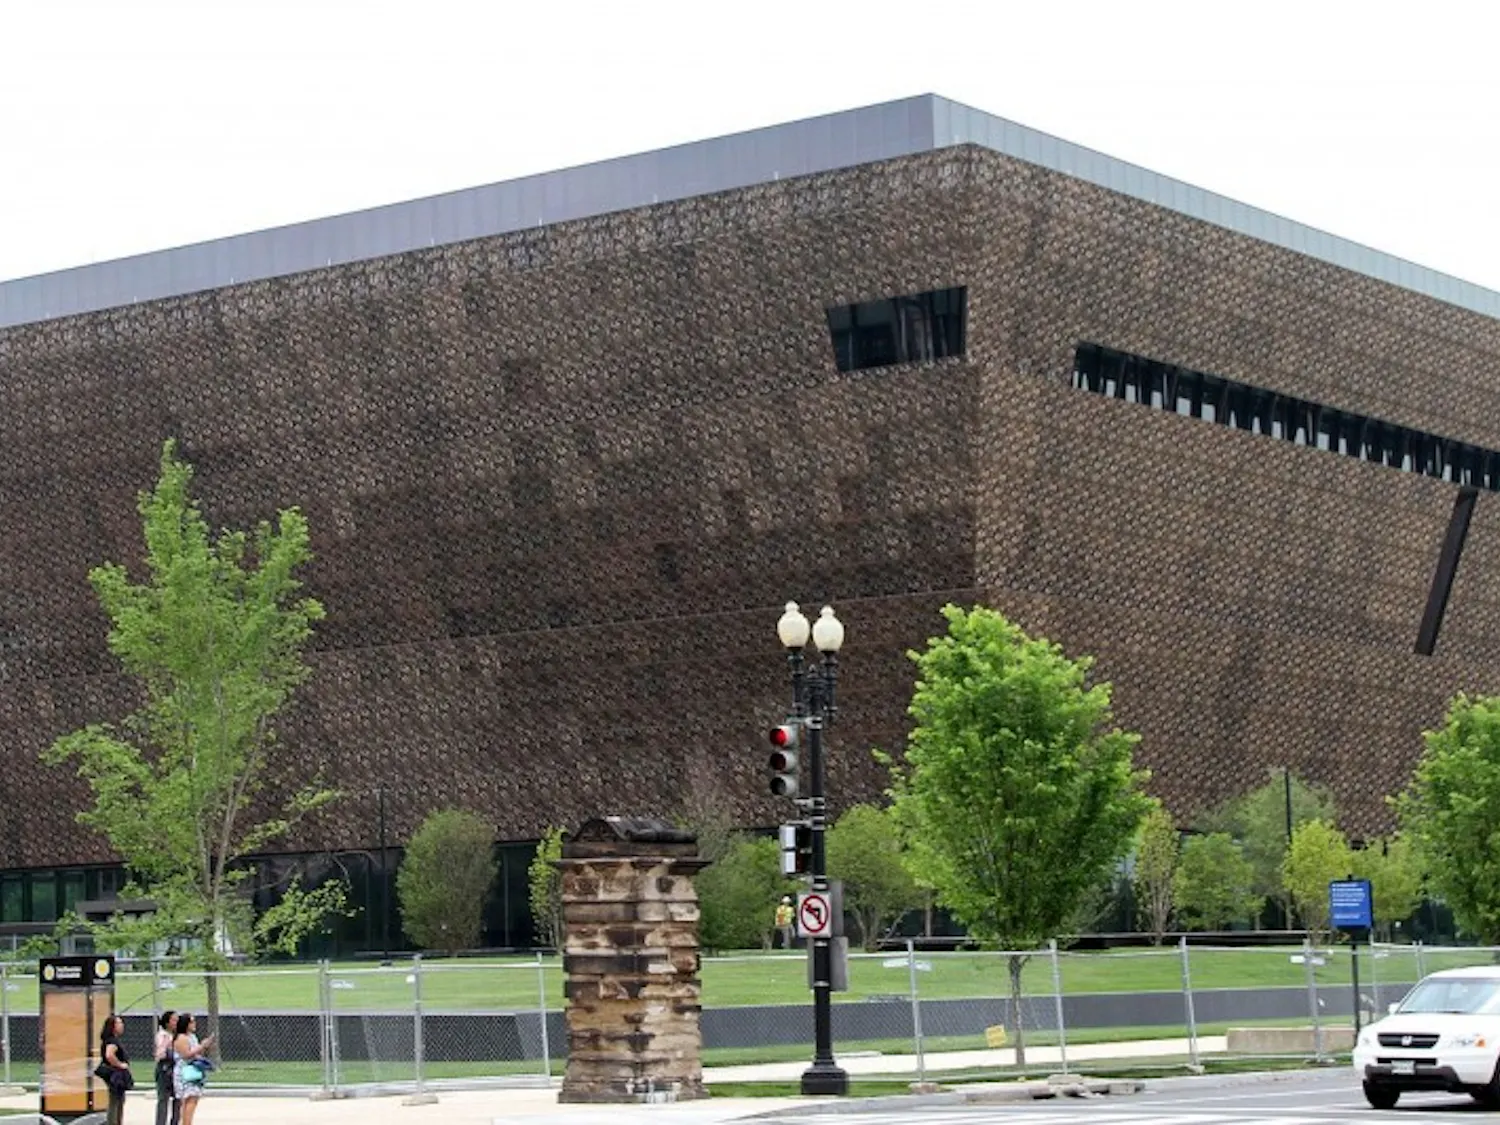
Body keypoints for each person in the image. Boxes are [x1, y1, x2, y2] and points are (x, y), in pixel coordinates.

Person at [171, 1013, 215, 1125]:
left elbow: (196, 1052)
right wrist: (202, 1046)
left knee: (193, 1098)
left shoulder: (192, 1037)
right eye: (191, 1022)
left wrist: (204, 1048)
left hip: (194, 1069)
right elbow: (186, 1054)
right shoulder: (181, 1038)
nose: (194, 1024)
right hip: (185, 1072)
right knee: (188, 1099)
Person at [100, 1013, 132, 1125]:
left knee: (119, 1100)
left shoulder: (113, 1040)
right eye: (119, 1023)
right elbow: (109, 1055)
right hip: (115, 1075)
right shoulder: (112, 1041)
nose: (122, 1025)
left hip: (116, 1075)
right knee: (115, 1101)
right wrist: (119, 1064)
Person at [154, 1010, 179, 1125]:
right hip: (165, 1069)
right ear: (167, 1022)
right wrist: (169, 1046)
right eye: (174, 1020)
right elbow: (161, 1053)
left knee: (178, 1099)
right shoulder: (162, 1035)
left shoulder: (177, 1035)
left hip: (176, 1069)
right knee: (163, 1099)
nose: (176, 1022)